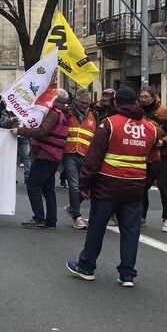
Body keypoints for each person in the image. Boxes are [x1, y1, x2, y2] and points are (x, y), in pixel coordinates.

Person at [67, 87, 158, 288]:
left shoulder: (109, 124)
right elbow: (153, 162)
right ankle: (127, 274)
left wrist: (85, 184)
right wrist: (144, 185)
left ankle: (86, 266)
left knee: (97, 228)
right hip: (134, 188)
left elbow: (93, 157)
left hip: (107, 185)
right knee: (131, 231)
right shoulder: (150, 128)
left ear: (116, 103)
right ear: (135, 102)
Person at [13, 88, 69, 230]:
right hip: (53, 154)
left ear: (55, 100)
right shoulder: (61, 114)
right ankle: (51, 220)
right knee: (48, 188)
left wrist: (21, 131)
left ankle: (39, 217)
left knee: (33, 185)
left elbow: (42, 130)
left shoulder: (53, 113)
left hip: (46, 153)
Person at [138, 86, 167, 232]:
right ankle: (142, 216)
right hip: (143, 154)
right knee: (142, 186)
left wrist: (164, 141)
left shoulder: (166, 111)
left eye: (146, 96)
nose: (143, 99)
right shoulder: (137, 111)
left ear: (154, 97)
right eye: (141, 96)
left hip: (162, 154)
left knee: (163, 186)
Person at [62, 89, 97, 230]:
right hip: (69, 153)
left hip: (86, 155)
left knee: (89, 187)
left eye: (87, 103)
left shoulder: (94, 115)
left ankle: (72, 207)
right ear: (76, 100)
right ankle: (77, 216)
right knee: (74, 186)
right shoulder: (68, 113)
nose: (84, 105)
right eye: (82, 102)